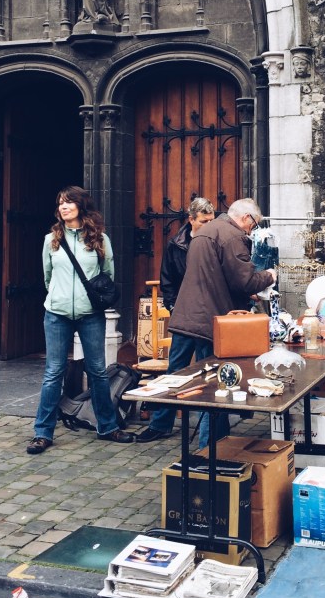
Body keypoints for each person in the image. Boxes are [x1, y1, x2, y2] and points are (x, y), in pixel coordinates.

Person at [135, 197, 276, 447]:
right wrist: (269, 276)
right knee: (212, 382)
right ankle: (208, 448)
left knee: (177, 374)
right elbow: (244, 281)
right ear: (246, 218)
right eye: (254, 224)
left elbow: (215, 276)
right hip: (208, 321)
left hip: (187, 317)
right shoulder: (233, 237)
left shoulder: (206, 232)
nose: (253, 230)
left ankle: (176, 429)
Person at [27, 186, 133, 454]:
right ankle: (42, 432)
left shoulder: (99, 239)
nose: (63, 207)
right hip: (57, 314)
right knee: (53, 372)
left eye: (69, 202)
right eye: (60, 203)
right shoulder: (50, 239)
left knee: (97, 371)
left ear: (81, 206)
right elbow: (47, 276)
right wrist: (60, 297)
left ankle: (108, 427)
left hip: (90, 315)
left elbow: (107, 274)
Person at [159, 197, 216, 312]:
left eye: (212, 221)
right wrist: (172, 307)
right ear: (191, 219)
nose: (209, 225)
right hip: (184, 308)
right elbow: (167, 279)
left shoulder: (219, 243)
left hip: (212, 307)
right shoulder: (175, 245)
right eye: (204, 221)